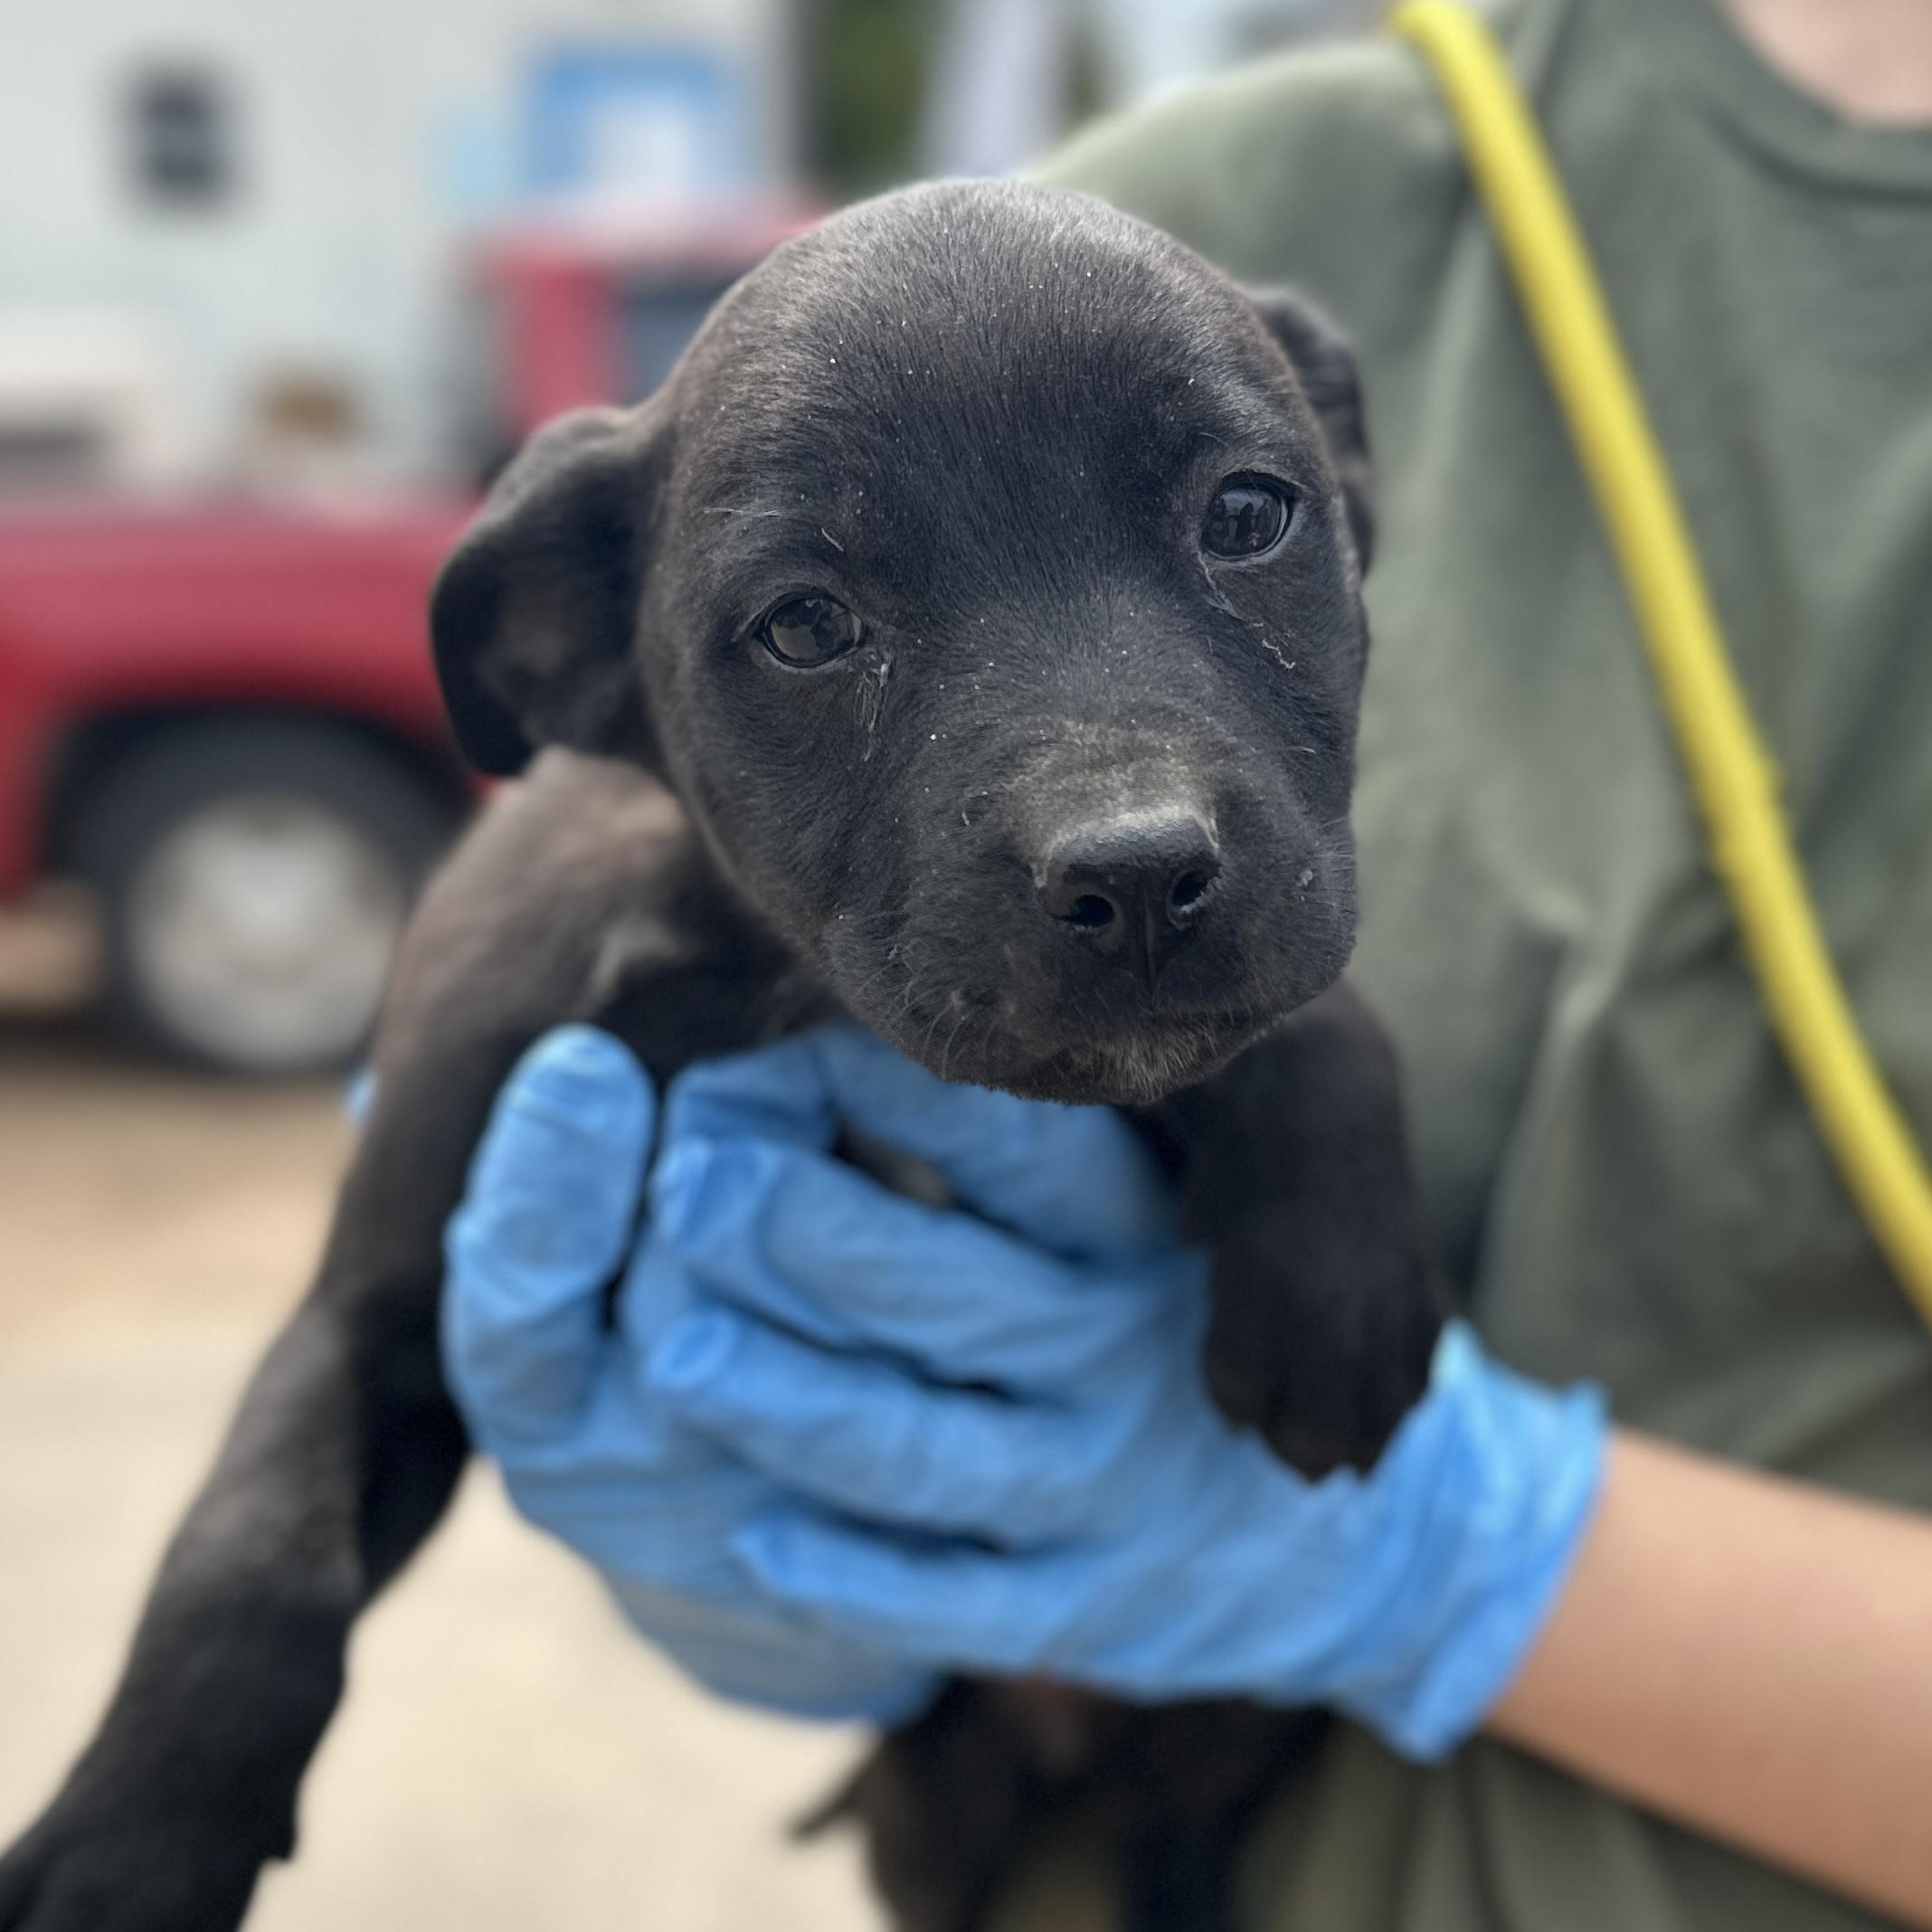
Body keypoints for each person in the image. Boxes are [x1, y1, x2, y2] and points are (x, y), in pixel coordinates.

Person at [437, 0, 1932, 1925]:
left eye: (1244, 519)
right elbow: (670, 732)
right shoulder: (1202, 212)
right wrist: (797, 1523)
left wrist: (1493, 1564)